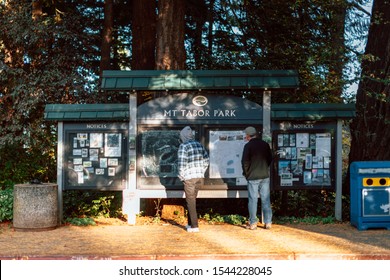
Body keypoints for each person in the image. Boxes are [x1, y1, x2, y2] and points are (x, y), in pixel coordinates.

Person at [177, 126, 209, 232]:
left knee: (190, 201)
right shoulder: (199, 145)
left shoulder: (183, 146)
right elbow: (206, 160)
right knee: (193, 200)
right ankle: (190, 224)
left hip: (189, 177)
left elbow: (181, 164)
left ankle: (195, 226)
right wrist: (201, 171)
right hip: (199, 177)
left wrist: (182, 177)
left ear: (183, 136)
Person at [241, 126, 273, 230]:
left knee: (253, 200)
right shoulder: (265, 144)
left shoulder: (248, 146)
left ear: (248, 136)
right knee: (266, 199)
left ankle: (253, 223)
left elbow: (245, 162)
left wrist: (247, 174)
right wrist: (264, 168)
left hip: (253, 177)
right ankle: (268, 222)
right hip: (264, 175)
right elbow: (269, 159)